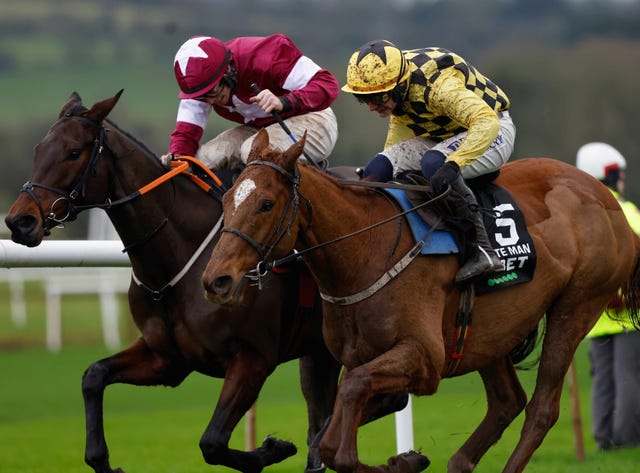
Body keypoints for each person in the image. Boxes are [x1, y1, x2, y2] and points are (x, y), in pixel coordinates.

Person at [341, 39, 516, 284]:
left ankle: (483, 249)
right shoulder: (397, 89)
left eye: (378, 97)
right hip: (443, 134)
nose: (371, 106)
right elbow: (399, 136)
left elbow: (486, 122)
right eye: (363, 99)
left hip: (492, 129)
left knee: (435, 165)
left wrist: (455, 163)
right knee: (377, 171)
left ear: (400, 86)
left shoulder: (439, 87)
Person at [164, 34, 339, 170]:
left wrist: (284, 101)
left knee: (253, 151)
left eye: (213, 92)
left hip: (313, 118)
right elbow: (185, 135)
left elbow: (327, 84)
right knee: (205, 159)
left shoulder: (268, 55)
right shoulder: (201, 88)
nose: (210, 101)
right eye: (203, 97)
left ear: (228, 71)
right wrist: (176, 158)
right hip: (262, 128)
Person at [576, 141, 640, 451]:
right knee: (629, 376)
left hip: (596, 318)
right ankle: (627, 438)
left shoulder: (578, 216)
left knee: (603, 379)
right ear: (612, 175)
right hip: (629, 313)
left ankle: (604, 438)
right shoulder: (625, 211)